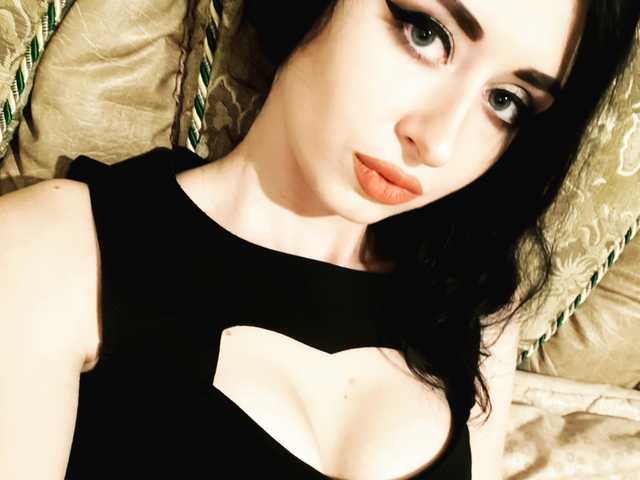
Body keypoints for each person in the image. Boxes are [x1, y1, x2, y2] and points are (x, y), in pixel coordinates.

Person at [0, 0, 638, 478]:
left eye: (504, 101)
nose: (438, 141)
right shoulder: (53, 251)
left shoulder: (480, 316)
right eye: (426, 33)